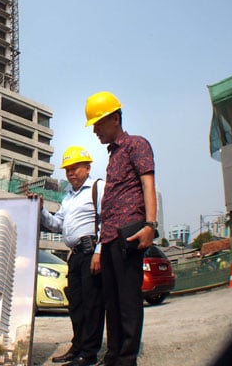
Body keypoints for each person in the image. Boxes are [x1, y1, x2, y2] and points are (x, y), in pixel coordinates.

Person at [84, 91, 157, 366]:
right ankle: (113, 354)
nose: (94, 130)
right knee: (111, 301)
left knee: (127, 300)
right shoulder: (113, 155)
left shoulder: (136, 145)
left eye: (99, 123)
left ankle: (126, 358)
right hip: (111, 237)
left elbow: (148, 184)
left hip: (129, 232)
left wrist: (150, 224)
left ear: (115, 118)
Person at [39, 146, 105, 366]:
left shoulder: (98, 188)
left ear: (87, 167)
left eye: (75, 168)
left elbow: (108, 221)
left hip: (91, 253)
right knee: (75, 304)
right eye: (67, 169)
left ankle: (89, 354)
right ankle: (77, 347)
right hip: (75, 256)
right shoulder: (68, 197)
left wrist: (99, 252)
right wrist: (41, 210)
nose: (70, 173)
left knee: (92, 305)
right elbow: (57, 225)